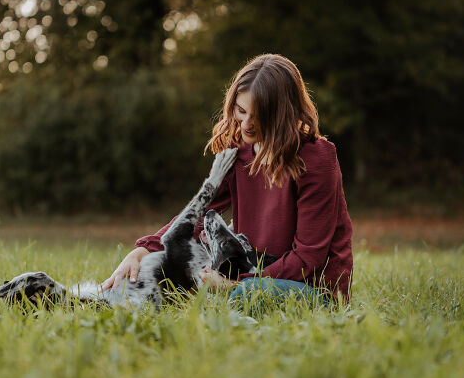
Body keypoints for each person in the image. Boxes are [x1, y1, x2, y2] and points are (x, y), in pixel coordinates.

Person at [102, 54, 353, 305]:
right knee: (165, 268)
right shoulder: (239, 153)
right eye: (241, 111)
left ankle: (232, 294)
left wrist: (236, 284)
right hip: (251, 275)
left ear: (281, 114)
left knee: (244, 294)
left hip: (312, 289)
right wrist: (143, 250)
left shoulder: (316, 159)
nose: (246, 125)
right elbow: (200, 214)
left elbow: (307, 260)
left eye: (258, 116)